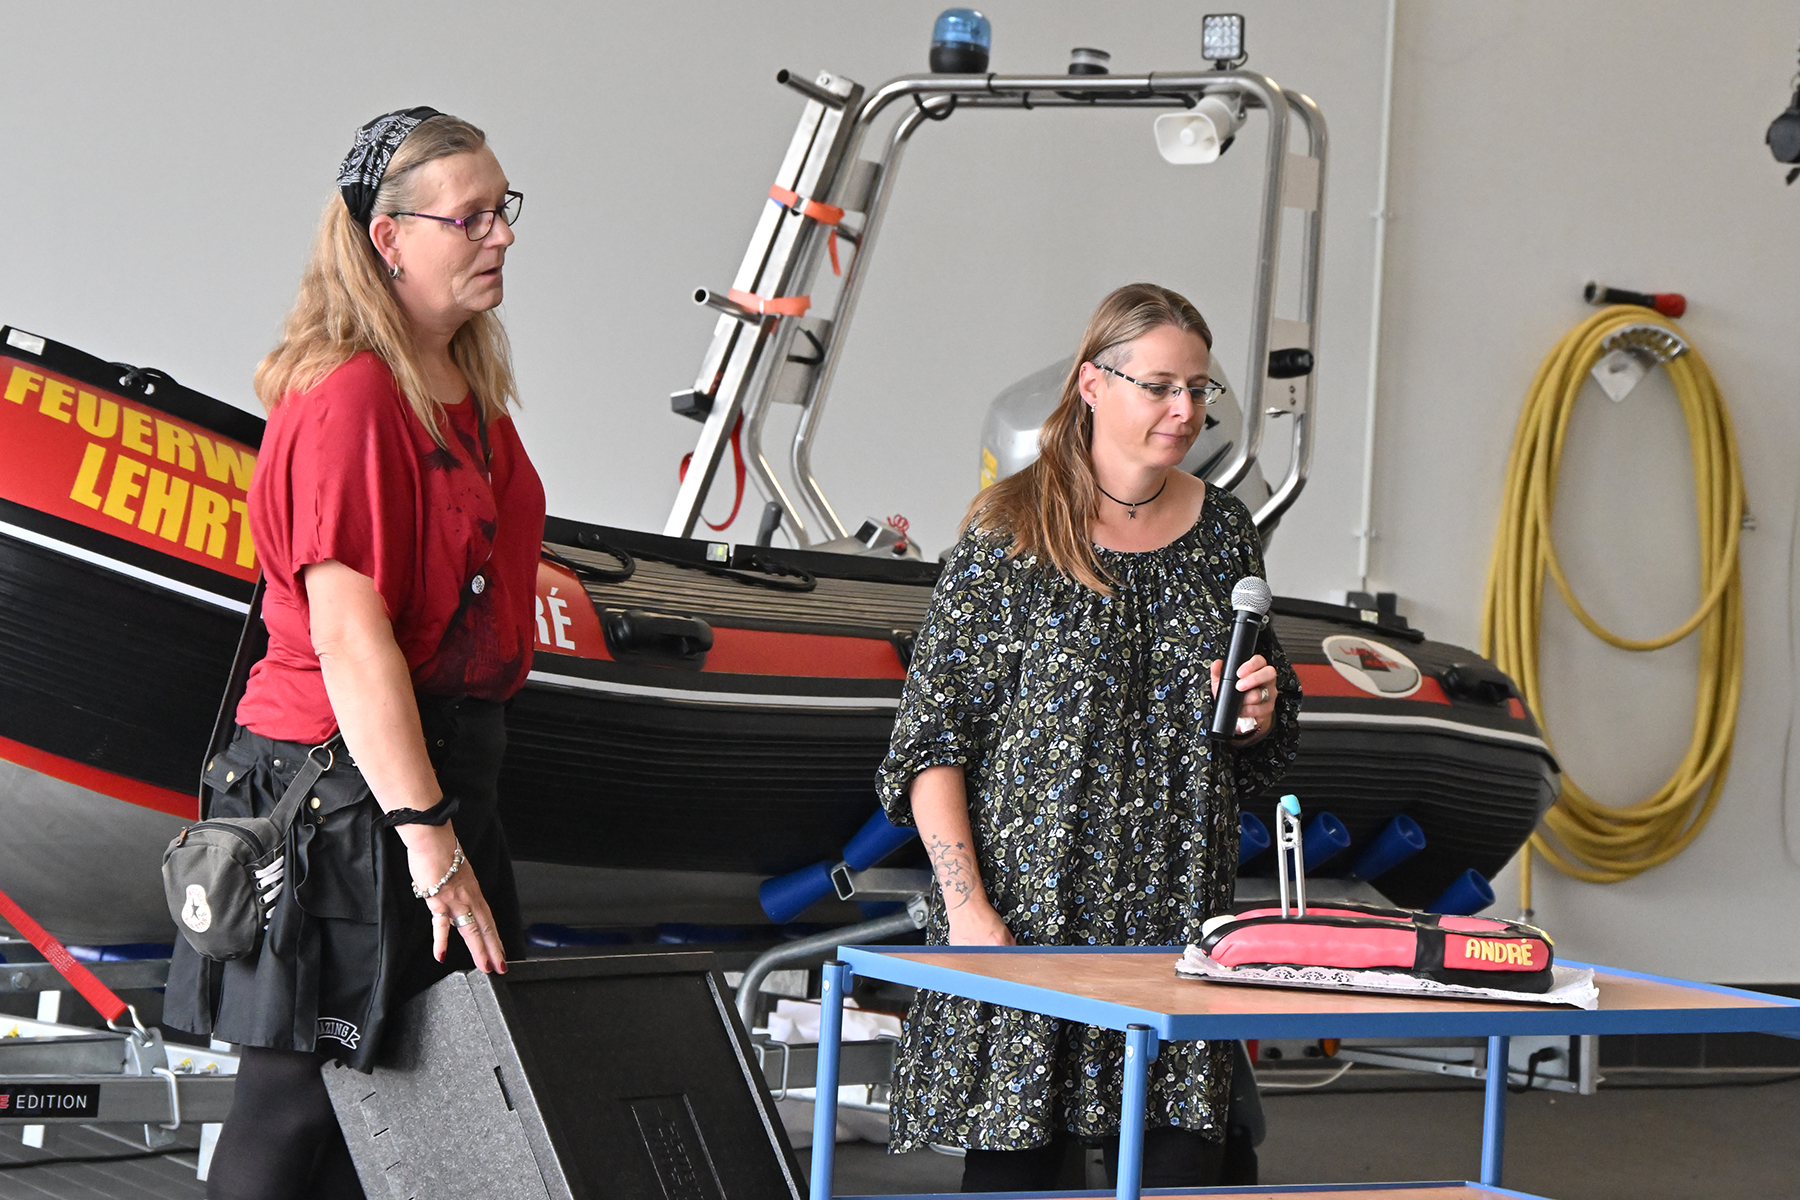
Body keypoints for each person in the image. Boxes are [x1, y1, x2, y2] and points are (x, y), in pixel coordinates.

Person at [165, 108, 544, 1200]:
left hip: (438, 777)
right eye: (470, 217)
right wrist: (430, 840)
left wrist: (445, 822)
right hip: (339, 792)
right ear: (389, 237)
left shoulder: (461, 389)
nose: (500, 235)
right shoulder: (351, 397)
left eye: (504, 211)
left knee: (400, 1098)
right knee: (294, 1104)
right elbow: (348, 638)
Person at [877, 283, 1301, 1191]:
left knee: (1185, 1169)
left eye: (1199, 389)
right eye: (1161, 387)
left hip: (1176, 918)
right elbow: (932, 741)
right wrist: (968, 911)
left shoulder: (1226, 532)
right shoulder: (1010, 531)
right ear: (1092, 384)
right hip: (1034, 920)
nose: (1185, 411)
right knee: (1020, 1176)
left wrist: (1259, 714)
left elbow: (1261, 731)